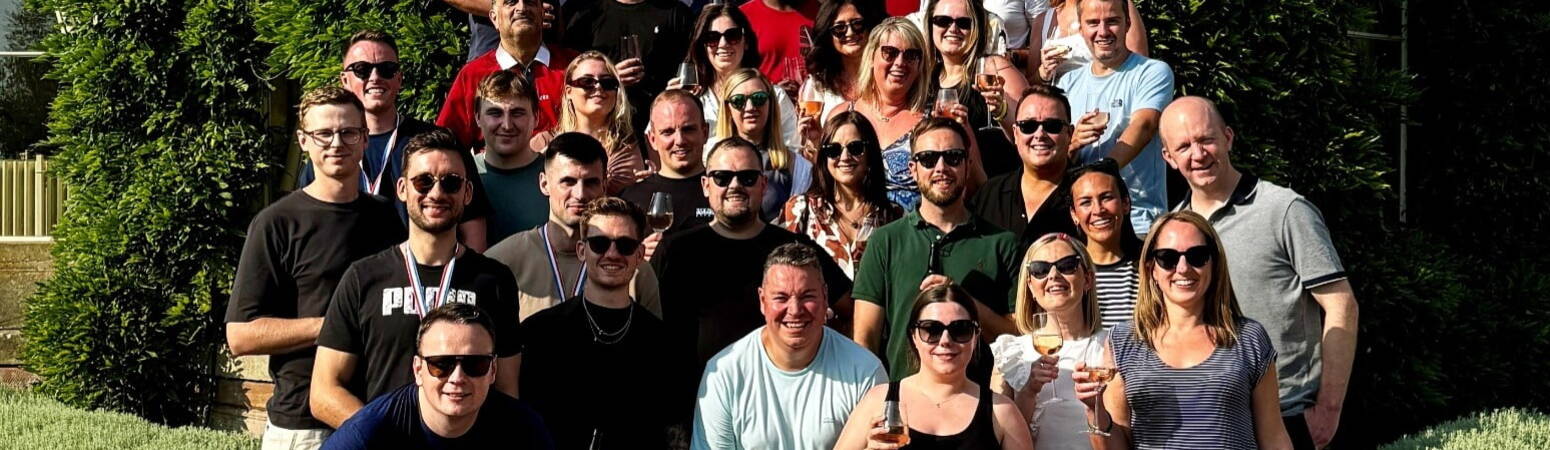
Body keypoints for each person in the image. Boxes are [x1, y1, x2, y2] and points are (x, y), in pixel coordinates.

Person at [1160, 96, 1359, 450]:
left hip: (1289, 415)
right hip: (1212, 421)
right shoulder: (1173, 233)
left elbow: (1342, 305)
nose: (1198, 154)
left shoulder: (1284, 210)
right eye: (1184, 146)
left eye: (1206, 139)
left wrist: (1329, 406)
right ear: (1168, 158)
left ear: (1228, 137)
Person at [227, 87, 406, 450]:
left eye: (348, 132)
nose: (336, 143)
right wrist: (331, 327)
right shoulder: (276, 223)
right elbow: (240, 335)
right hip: (303, 423)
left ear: (364, 138)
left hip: (379, 410)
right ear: (303, 141)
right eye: (323, 133)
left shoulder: (386, 216)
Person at [311, 129, 523, 429]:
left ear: (467, 193)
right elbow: (324, 391)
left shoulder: (494, 280)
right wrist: (385, 438)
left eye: (450, 183)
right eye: (423, 181)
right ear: (401, 188)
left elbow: (505, 390)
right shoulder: (363, 277)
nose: (436, 193)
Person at [652, 138, 852, 422]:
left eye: (746, 177)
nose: (735, 186)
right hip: (695, 409)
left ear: (763, 184)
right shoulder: (675, 251)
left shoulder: (795, 248)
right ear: (706, 186)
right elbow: (647, 326)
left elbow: (853, 310)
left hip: (784, 410)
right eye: (722, 177)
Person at [1073, 211, 1292, 449]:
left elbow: (1274, 437)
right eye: (1168, 257)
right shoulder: (1124, 341)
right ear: (1151, 269)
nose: (1183, 267)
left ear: (1214, 263)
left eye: (1197, 256)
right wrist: (1094, 409)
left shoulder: (1248, 338)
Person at [852, 118, 1019, 382]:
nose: (941, 168)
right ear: (913, 169)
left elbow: (1017, 337)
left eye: (953, 157)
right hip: (904, 402)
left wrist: (963, 301)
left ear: (968, 165)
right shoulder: (885, 241)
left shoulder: (1002, 242)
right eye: (928, 159)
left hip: (980, 404)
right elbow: (865, 341)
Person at [298, 30, 494, 250]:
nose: (375, 77)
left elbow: (473, 226)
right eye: (361, 70)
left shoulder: (438, 143)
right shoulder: (328, 154)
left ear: (399, 79)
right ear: (345, 80)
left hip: (424, 278)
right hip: (347, 278)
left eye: (386, 69)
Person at [691, 243, 886, 450]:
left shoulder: (865, 372)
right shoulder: (724, 373)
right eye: (781, 298)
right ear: (762, 300)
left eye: (807, 296)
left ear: (825, 297)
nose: (794, 310)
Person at [521, 198, 672, 449]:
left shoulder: (661, 341)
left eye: (624, 245)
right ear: (582, 250)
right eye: (599, 243)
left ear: (639, 255)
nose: (612, 254)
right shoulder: (540, 333)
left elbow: (670, 429)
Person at [321, 303, 554, 449]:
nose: (458, 377)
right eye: (441, 364)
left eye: (475, 364)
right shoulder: (371, 431)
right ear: (418, 370)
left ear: (493, 370)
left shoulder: (522, 429)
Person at [834, 284, 1035, 450]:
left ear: (975, 337)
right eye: (932, 330)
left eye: (960, 330)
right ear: (914, 336)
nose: (945, 340)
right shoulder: (878, 401)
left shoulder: (1001, 412)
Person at [486, 132, 661, 321]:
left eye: (591, 182)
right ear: (544, 184)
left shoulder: (631, 268)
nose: (580, 194)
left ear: (604, 186)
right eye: (568, 182)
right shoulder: (502, 262)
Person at [1055, 0, 1173, 238]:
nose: (1103, 31)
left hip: (1138, 223)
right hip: (1082, 227)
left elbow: (1145, 125)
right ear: (1081, 29)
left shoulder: (1152, 72)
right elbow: (1058, 158)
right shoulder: (1067, 83)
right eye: (1093, 23)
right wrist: (1073, 143)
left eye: (1112, 21)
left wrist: (1103, 170)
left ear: (1128, 23)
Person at [989, 232, 1107, 448]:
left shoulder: (1111, 346)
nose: (1053, 275)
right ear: (1031, 287)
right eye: (1040, 270)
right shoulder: (1011, 353)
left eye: (1067, 265)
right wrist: (1028, 392)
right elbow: (1001, 440)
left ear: (1088, 279)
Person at [777, 111, 903, 280]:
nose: (844, 157)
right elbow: (779, 273)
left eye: (855, 148)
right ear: (824, 156)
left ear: (870, 154)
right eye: (833, 150)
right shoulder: (800, 209)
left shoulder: (893, 215)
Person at [439, 0, 579, 148]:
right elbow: (445, 146)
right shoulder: (473, 75)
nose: (522, 8)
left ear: (543, 13)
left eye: (530, 2)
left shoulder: (574, 68)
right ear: (494, 17)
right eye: (511, 2)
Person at [666, 4, 802, 154]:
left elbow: (793, 153)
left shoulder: (774, 96)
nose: (723, 44)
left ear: (747, 42)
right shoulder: (692, 97)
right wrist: (670, 108)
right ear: (703, 46)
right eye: (712, 38)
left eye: (732, 36)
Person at [833, 18, 931, 211]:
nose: (900, 63)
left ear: (920, 65)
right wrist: (811, 147)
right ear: (871, 58)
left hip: (913, 235)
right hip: (854, 231)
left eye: (911, 55)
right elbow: (825, 181)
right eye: (890, 53)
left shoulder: (935, 119)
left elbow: (972, 185)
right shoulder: (842, 115)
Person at [969, 84, 1080, 252]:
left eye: (1052, 126)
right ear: (1015, 133)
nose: (1040, 135)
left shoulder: (1088, 196)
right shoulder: (989, 195)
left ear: (1070, 134)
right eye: (1028, 126)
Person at [559, 0, 694, 136]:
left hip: (658, 130)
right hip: (596, 130)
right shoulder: (580, 12)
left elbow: (688, 71)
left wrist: (674, 91)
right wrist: (609, 80)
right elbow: (563, 73)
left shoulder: (677, 13)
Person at [529, 51, 646, 195]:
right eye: (587, 82)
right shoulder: (544, 143)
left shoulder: (636, 142)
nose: (598, 87)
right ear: (568, 91)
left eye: (607, 82)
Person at [708, 69, 812, 220]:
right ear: (728, 109)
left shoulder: (796, 166)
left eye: (759, 98)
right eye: (738, 101)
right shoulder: (708, 160)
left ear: (771, 104)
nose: (750, 107)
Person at [919, 0, 1030, 131]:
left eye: (964, 23)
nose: (953, 29)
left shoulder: (993, 68)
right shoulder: (927, 77)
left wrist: (1001, 111)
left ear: (977, 29)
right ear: (930, 25)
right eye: (942, 21)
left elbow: (1028, 129)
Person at [620, 90, 714, 235]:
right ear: (652, 139)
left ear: (705, 132)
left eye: (688, 129)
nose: (680, 141)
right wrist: (637, 254)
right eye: (668, 132)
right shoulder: (631, 199)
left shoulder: (724, 190)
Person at [472, 69, 549, 243]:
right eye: (495, 113)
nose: (507, 125)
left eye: (517, 113)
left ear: (536, 117)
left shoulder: (557, 176)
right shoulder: (461, 177)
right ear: (477, 117)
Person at [1067, 158, 1142, 328]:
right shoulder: (1066, 270)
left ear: (1125, 203)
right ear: (1074, 214)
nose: (1098, 210)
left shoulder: (1152, 265)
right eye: (1086, 202)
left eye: (1106, 198)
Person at [799, 0, 886, 122]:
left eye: (857, 24)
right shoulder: (818, 85)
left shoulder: (887, 75)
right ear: (828, 35)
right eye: (839, 28)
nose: (850, 33)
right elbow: (810, 137)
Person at [1031, 0, 1148, 84]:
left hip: (1105, 97)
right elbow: (1031, 81)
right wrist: (1044, 73)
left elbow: (1138, 65)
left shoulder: (1116, 5)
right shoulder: (1043, 20)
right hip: (1058, 107)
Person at [738, 0, 818, 83]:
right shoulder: (742, 16)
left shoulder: (822, 12)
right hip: (763, 94)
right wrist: (773, 90)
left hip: (818, 93)